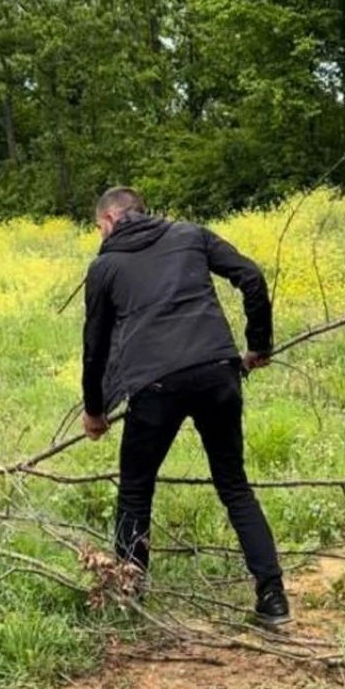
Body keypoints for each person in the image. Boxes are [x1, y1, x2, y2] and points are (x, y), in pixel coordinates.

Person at [80, 186, 290, 626]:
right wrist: (258, 346)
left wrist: (95, 410)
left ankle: (129, 599)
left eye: (99, 227)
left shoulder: (105, 266)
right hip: (218, 370)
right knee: (234, 484)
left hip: (156, 386)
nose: (100, 235)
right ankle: (273, 599)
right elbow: (250, 276)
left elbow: (95, 345)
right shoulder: (189, 234)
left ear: (111, 220)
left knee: (136, 490)